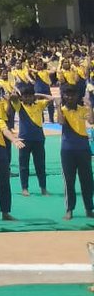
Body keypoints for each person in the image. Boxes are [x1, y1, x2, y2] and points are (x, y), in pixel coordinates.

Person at [59, 86, 94, 220]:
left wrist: (90, 105)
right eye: (67, 95)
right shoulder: (61, 111)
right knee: (69, 181)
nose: (70, 97)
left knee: (87, 181)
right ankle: (69, 209)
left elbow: (91, 121)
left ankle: (89, 208)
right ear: (64, 96)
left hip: (83, 149)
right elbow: (60, 122)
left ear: (78, 96)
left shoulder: (82, 110)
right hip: (67, 151)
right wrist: (57, 106)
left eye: (73, 95)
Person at [11, 84, 52, 196]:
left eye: (30, 96)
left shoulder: (39, 104)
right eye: (25, 96)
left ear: (33, 96)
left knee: (40, 165)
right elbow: (13, 98)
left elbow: (51, 99)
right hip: (24, 139)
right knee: (24, 165)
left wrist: (38, 94)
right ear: (22, 97)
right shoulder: (19, 106)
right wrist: (16, 95)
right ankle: (24, 188)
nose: (28, 98)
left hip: (38, 139)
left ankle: (43, 188)